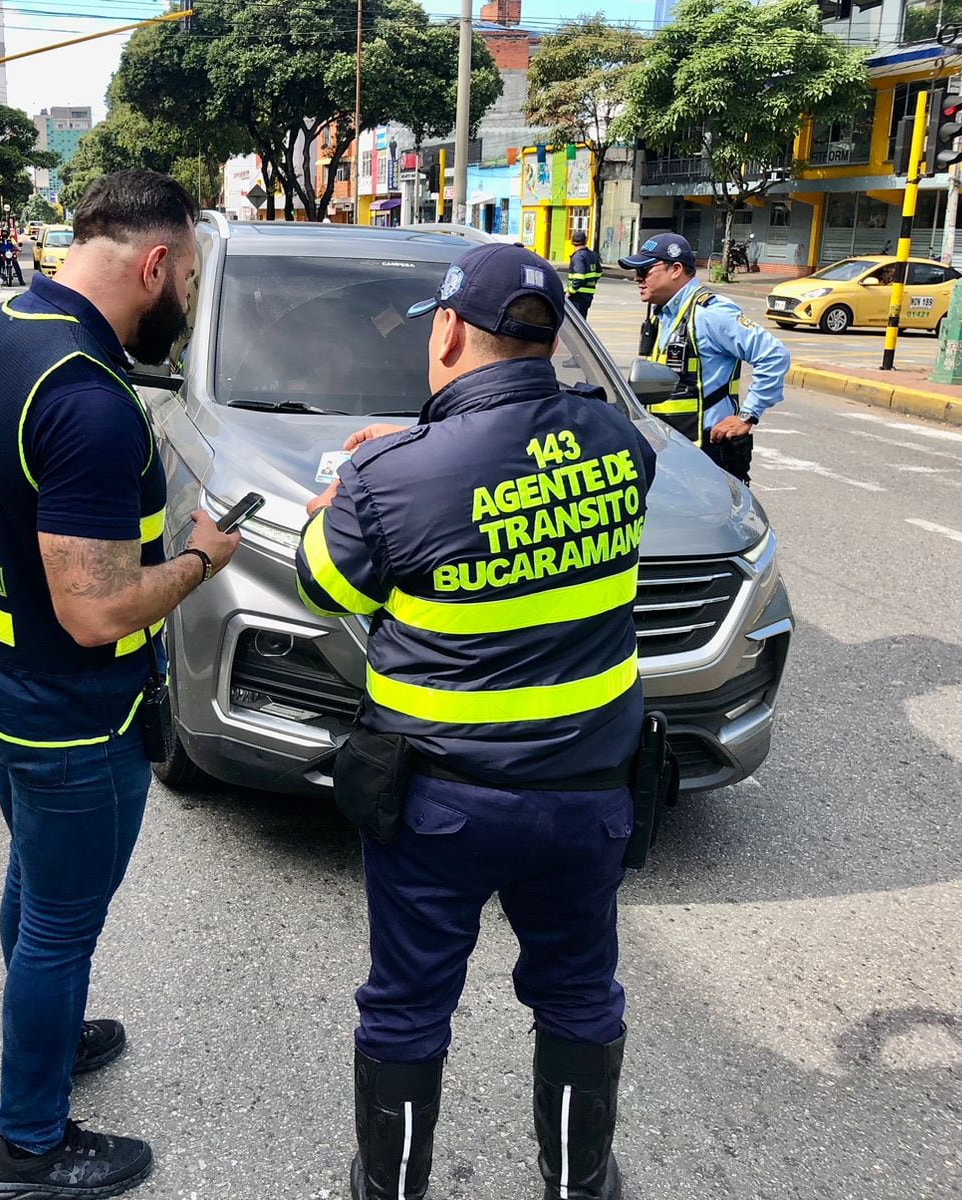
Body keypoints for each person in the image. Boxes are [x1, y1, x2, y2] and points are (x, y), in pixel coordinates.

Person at [295, 244, 657, 1200]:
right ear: (550, 342)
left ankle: (392, 1189)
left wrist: (347, 489)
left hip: (441, 807)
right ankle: (581, 1187)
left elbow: (321, 581)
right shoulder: (624, 444)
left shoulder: (390, 478)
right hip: (589, 796)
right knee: (580, 995)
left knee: (409, 1008)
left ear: (448, 329)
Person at [0, 170, 240, 1200]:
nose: (186, 302)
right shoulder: (83, 394)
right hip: (73, 712)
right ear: (153, 263)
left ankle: (49, 1037)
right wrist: (203, 557)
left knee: (35, 892)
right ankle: (26, 1144)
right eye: (189, 278)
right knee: (62, 924)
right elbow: (98, 609)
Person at [618, 232, 789, 483]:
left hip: (708, 452)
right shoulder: (662, 313)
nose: (637, 278)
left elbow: (774, 355)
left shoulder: (710, 312)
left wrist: (747, 416)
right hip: (673, 447)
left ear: (676, 269)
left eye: (644, 270)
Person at [566, 228, 603, 320]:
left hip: (577, 296)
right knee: (582, 320)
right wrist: (590, 282)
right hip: (588, 294)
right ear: (586, 241)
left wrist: (570, 291)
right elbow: (598, 272)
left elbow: (579, 276)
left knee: (574, 322)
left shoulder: (578, 257)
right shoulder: (592, 255)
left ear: (572, 242)